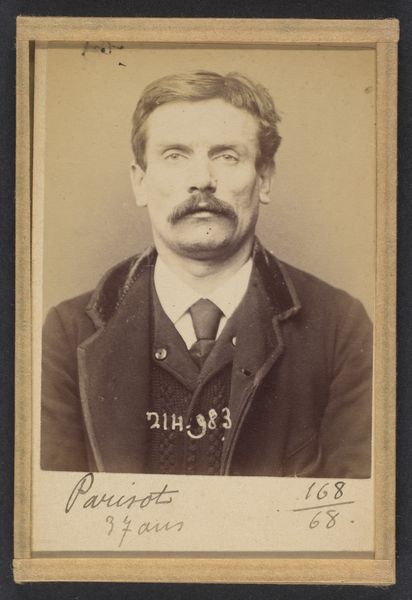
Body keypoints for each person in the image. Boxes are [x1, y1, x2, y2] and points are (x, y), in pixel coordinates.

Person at [41, 70, 372, 477]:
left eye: (227, 156)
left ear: (264, 179)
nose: (202, 180)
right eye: (175, 155)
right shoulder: (67, 333)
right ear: (140, 182)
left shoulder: (340, 328)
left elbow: (357, 508)